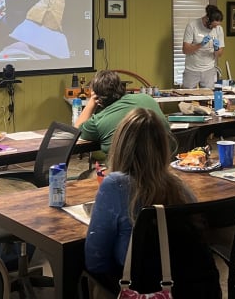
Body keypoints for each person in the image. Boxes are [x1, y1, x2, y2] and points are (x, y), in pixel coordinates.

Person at [84, 108, 221, 298]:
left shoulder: (115, 185)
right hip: (191, 289)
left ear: (120, 146)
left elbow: (95, 262)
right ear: (163, 146)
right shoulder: (179, 187)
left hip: (141, 288)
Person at [76, 70, 167, 154]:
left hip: (125, 170)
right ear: (120, 87)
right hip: (162, 165)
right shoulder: (147, 98)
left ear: (98, 98)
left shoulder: (99, 121)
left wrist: (92, 101)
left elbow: (76, 132)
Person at [181, 4, 225, 89]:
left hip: (209, 70)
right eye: (213, 25)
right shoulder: (192, 26)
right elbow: (185, 50)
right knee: (187, 98)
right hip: (191, 70)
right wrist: (200, 44)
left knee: (208, 98)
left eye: (217, 26)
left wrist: (216, 49)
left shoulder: (219, 29)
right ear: (207, 19)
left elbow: (219, 54)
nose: (215, 28)